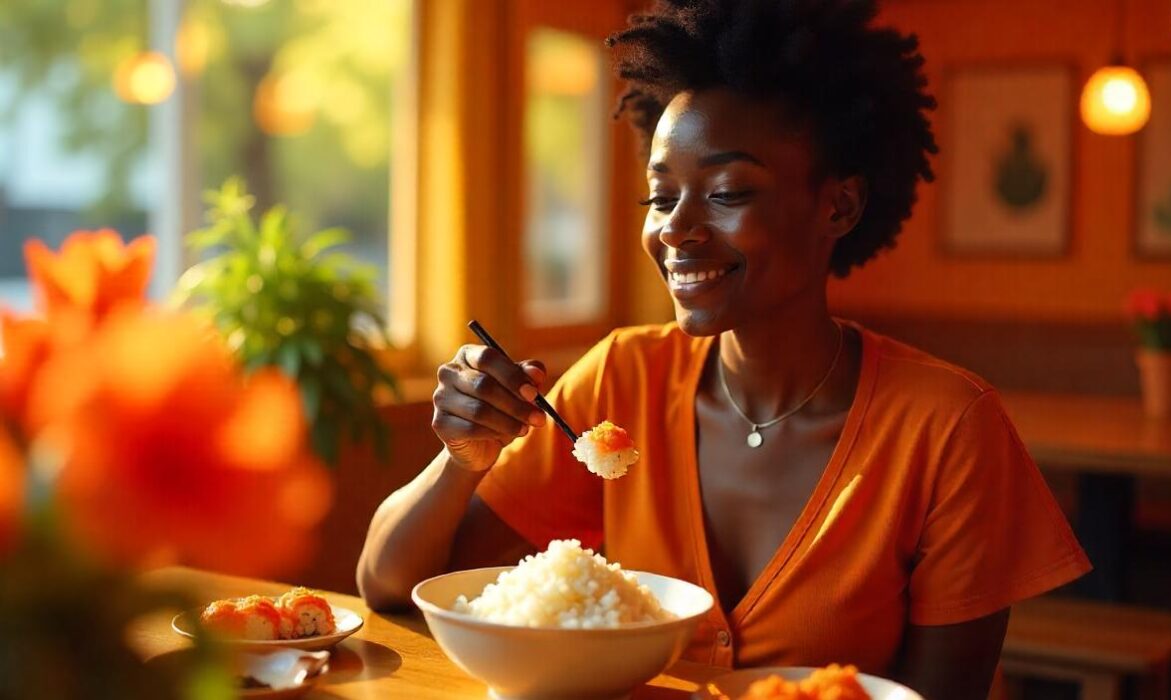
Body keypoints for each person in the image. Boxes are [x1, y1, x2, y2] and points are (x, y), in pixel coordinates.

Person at [357, 1, 1091, 697]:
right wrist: (462, 462)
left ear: (839, 205)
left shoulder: (949, 427)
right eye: (661, 194)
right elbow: (393, 585)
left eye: (728, 192)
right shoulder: (624, 376)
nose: (675, 228)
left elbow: (939, 696)